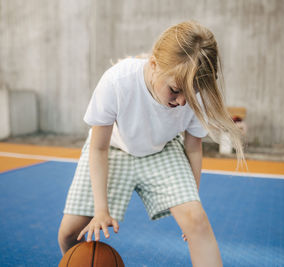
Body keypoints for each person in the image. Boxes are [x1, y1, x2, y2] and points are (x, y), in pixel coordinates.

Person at [58, 20, 245, 267]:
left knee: (198, 222)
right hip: (113, 148)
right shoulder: (117, 81)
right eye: (175, 91)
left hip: (162, 150)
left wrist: (192, 207)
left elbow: (193, 147)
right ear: (154, 64)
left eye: (190, 95)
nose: (181, 102)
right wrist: (101, 210)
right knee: (69, 234)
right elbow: (98, 147)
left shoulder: (195, 95)